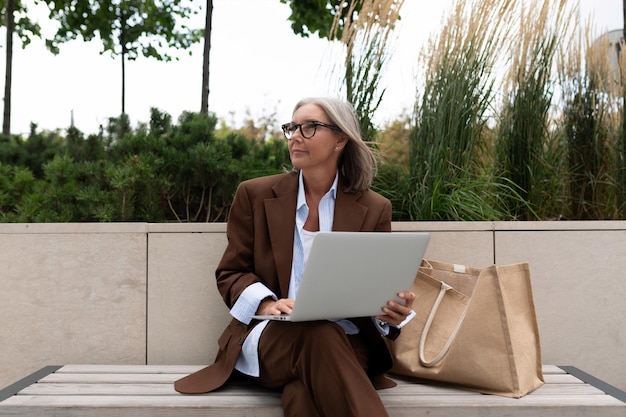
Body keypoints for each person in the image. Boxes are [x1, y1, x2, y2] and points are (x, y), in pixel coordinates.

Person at [175, 97, 416, 417]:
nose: (296, 135)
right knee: (317, 332)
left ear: (340, 139)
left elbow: (373, 286)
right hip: (273, 339)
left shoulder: (373, 208)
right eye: (292, 127)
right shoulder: (255, 195)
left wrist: (389, 314)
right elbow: (231, 272)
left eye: (310, 127)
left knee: (302, 397)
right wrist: (267, 304)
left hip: (347, 345)